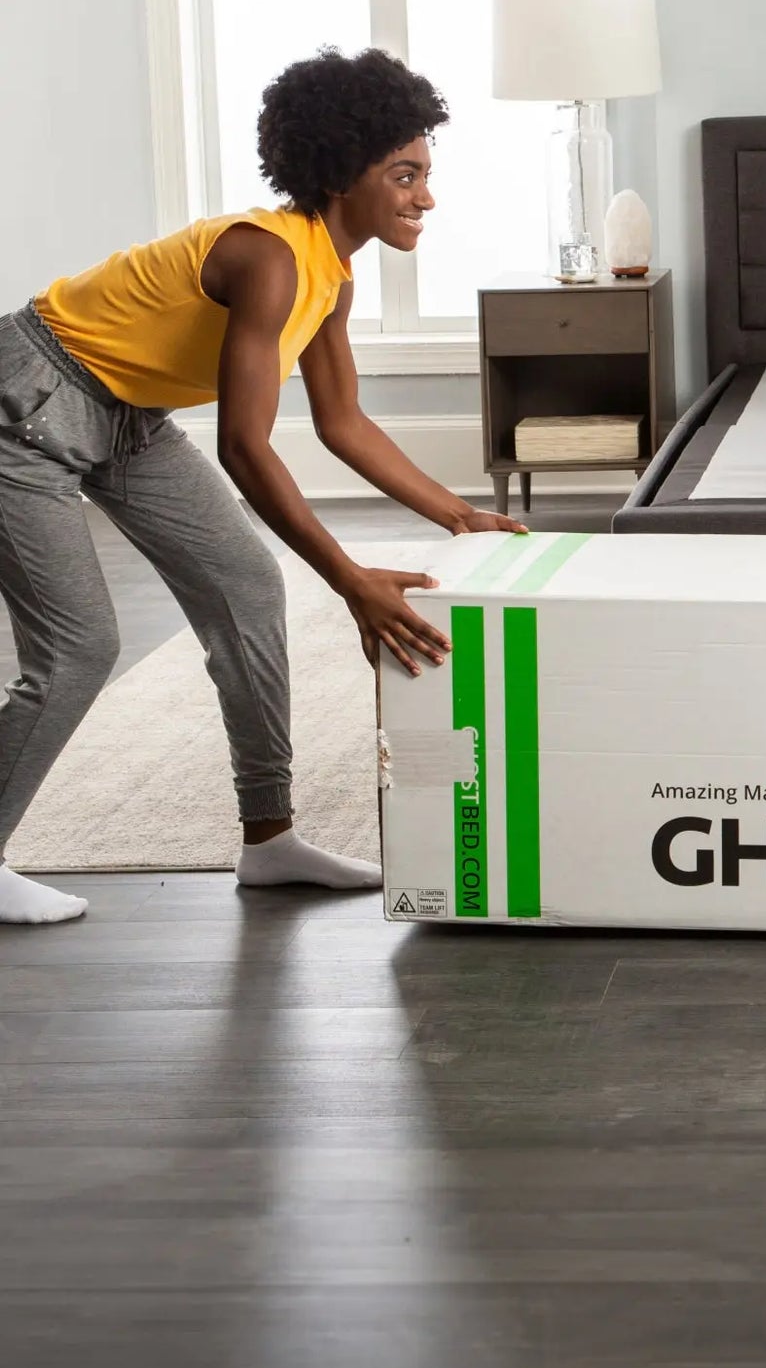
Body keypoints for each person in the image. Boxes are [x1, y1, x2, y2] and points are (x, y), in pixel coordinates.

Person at [0, 47, 525, 925]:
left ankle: (270, 840)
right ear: (337, 172)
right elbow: (246, 447)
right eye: (403, 175)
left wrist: (460, 514)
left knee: (246, 587)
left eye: (425, 176)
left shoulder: (331, 273)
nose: (424, 197)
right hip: (27, 406)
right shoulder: (268, 259)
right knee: (79, 650)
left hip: (129, 416)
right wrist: (352, 579)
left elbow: (342, 422)